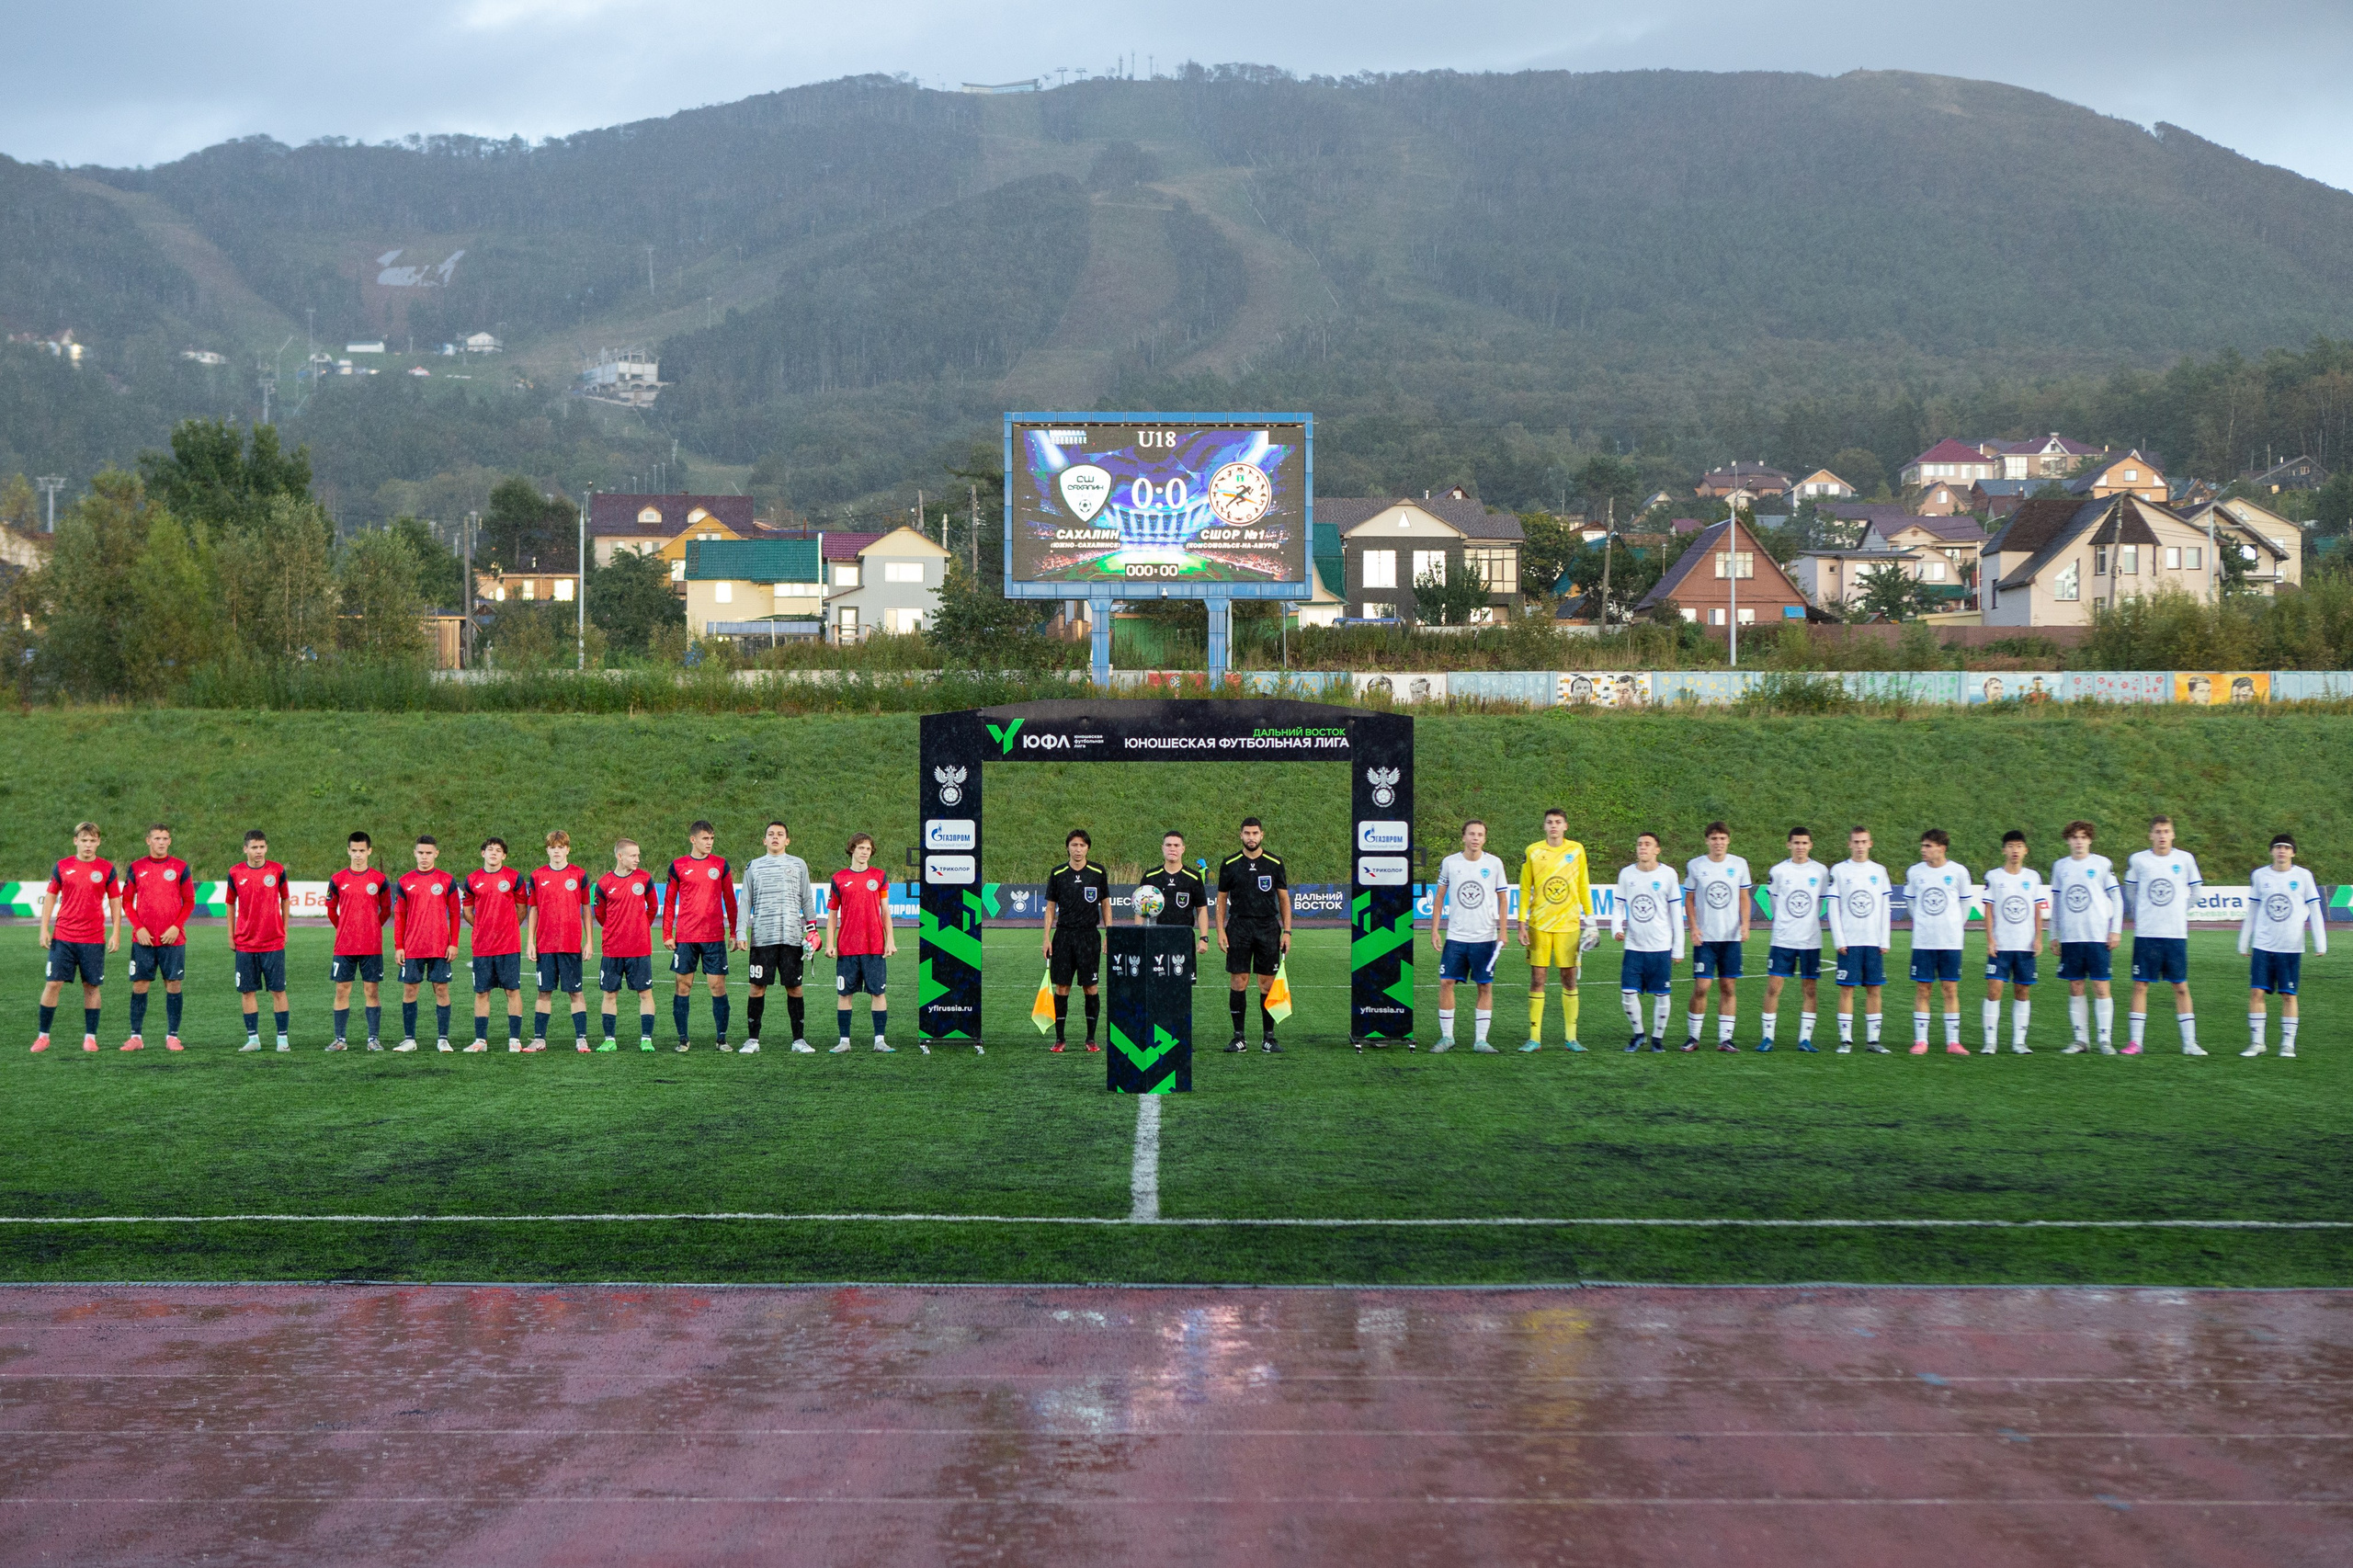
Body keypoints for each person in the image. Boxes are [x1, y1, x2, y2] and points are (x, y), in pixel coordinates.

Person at [34, 821, 119, 1054]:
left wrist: (116, 932)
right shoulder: (62, 867)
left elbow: (114, 901)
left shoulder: (107, 868)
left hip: (93, 938)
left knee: (91, 987)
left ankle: (90, 1037)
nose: (88, 845)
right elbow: (50, 897)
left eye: (92, 841)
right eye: (84, 840)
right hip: (64, 936)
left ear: (98, 842)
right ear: (76, 841)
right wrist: (44, 929)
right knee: (53, 984)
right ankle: (43, 1036)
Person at [2240, 834, 2326, 1058]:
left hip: (2290, 947)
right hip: (2263, 944)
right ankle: (2257, 1042)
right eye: (2277, 847)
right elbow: (2253, 910)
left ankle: (2288, 1044)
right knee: (2256, 992)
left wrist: (2320, 941)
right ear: (2271, 851)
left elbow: (2315, 909)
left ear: (2293, 852)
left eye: (2286, 848)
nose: (2281, 851)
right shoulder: (2260, 875)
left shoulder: (2303, 876)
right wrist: (2244, 940)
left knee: (2288, 995)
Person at [2125, 816, 2205, 1056]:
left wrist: (2180, 910)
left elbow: (2197, 892)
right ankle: (2135, 1042)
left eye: (2166, 831)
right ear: (2150, 835)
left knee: (2180, 986)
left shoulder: (2185, 859)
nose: (2162, 836)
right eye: (2157, 831)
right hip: (2147, 933)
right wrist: (2142, 913)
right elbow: (2130, 891)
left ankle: (2190, 1043)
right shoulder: (2139, 860)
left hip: (2175, 934)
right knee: (2140, 986)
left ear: (2173, 835)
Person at [739, 819, 816, 1055]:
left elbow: (807, 900)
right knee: (757, 988)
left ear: (787, 840)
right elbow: (745, 902)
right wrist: (742, 931)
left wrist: (812, 930)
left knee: (795, 988)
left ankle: (798, 1041)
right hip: (762, 938)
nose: (775, 837)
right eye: (771, 834)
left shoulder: (798, 864)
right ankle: (753, 1040)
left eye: (780, 834)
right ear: (764, 840)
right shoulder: (753, 866)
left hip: (793, 938)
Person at [1518, 808, 1592, 1052]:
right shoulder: (1533, 851)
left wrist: (1590, 920)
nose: (1554, 826)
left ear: (1565, 826)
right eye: (1549, 822)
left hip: (1568, 926)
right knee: (1538, 978)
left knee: (1569, 978)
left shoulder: (1576, 850)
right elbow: (1525, 888)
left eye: (1558, 822)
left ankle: (1572, 1038)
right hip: (1539, 925)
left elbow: (1583, 885)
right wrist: (1521, 923)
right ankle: (1534, 1038)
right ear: (1544, 826)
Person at [1216, 817, 1291, 1053]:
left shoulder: (1274, 863)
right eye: (1247, 833)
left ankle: (1269, 1037)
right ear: (1240, 835)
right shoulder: (1230, 863)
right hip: (1238, 927)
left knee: (1267, 983)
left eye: (1255, 833)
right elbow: (1220, 901)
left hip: (1268, 927)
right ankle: (1239, 1037)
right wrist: (1219, 930)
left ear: (1262, 835)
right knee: (1239, 981)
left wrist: (1287, 931)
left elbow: (1284, 900)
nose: (1251, 837)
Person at [1433, 819, 1507, 1051]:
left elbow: (1503, 899)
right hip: (1456, 937)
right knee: (1446, 982)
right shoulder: (1450, 863)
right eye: (1471, 834)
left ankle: (1481, 1040)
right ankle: (1447, 1037)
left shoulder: (1494, 864)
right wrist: (1435, 929)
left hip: (1484, 937)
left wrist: (1503, 931)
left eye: (1480, 834)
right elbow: (1439, 898)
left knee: (1485, 986)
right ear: (1463, 837)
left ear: (1485, 839)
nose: (1476, 838)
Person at [117, 823, 192, 1052]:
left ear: (170, 841)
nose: (161, 842)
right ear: (148, 840)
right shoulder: (136, 867)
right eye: (157, 838)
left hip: (172, 940)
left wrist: (176, 927)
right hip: (143, 940)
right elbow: (127, 901)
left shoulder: (180, 867)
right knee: (140, 985)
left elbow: (189, 902)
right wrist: (138, 927)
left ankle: (172, 1036)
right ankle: (136, 1037)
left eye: (165, 838)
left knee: (174, 984)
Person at [2051, 820, 2123, 1054]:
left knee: (2101, 987)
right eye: (2074, 837)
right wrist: (2054, 934)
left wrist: (2116, 930)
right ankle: (2081, 1040)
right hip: (2071, 937)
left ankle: (2105, 1040)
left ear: (2090, 840)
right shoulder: (2060, 866)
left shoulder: (2102, 864)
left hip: (2098, 936)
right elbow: (2057, 904)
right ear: (2068, 840)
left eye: (2083, 837)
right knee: (2076, 985)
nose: (2079, 841)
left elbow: (2117, 898)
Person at [665, 821, 737, 1051]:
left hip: (714, 936)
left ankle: (722, 1039)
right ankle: (683, 1039)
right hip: (686, 936)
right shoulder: (678, 866)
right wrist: (667, 933)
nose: (710, 843)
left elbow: (730, 901)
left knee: (717, 987)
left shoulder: (721, 865)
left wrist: (735, 931)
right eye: (705, 838)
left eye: (712, 838)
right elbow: (668, 902)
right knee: (683, 985)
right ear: (693, 840)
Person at [1682, 822, 1753, 1052]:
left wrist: (1745, 924)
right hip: (1705, 937)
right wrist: (1693, 927)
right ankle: (1693, 1037)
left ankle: (1725, 1039)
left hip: (1730, 937)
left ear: (1728, 841)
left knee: (1728, 986)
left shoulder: (1739, 864)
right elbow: (1690, 900)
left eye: (1722, 838)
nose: (1718, 843)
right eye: (1714, 839)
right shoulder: (1695, 865)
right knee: (1702, 986)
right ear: (1707, 841)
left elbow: (1744, 898)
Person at [1612, 832, 1685, 1051]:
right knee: (1627, 993)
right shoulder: (1626, 874)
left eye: (1647, 844)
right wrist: (1616, 928)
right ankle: (1639, 1034)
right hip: (1634, 946)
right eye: (1639, 844)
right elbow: (1617, 906)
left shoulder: (1668, 874)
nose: (1642, 848)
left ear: (1657, 850)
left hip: (1660, 947)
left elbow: (1675, 913)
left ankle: (1657, 1039)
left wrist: (1678, 948)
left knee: (1662, 995)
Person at [1042, 829, 1111, 1053]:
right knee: (1062, 987)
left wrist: (1108, 934)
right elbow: (1051, 907)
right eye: (1074, 845)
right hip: (1063, 936)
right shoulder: (1058, 873)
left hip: (1089, 936)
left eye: (1082, 845)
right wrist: (1046, 938)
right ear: (1068, 848)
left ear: (1088, 848)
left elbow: (1106, 904)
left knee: (1090, 987)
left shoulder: (1098, 872)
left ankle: (1091, 1039)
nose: (1078, 849)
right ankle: (1059, 1039)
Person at [825, 832, 895, 1052]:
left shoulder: (879, 876)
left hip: (874, 945)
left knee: (878, 992)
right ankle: (844, 1041)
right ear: (852, 849)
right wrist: (830, 943)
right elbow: (832, 915)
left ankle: (880, 1041)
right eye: (861, 848)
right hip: (847, 947)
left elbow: (885, 911)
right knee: (845, 994)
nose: (865, 852)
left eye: (868, 849)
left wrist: (890, 940)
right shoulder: (838, 879)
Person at [1904, 830, 1972, 1055]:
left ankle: (1953, 1042)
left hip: (1950, 942)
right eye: (1923, 845)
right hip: (1924, 941)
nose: (1923, 850)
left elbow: (1965, 905)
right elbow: (1911, 903)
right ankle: (1921, 1041)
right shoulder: (1915, 872)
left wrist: (1953, 927)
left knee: (1950, 989)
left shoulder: (1958, 872)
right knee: (1923, 989)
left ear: (1942, 848)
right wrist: (1925, 923)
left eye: (1928, 846)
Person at [324, 831, 392, 1051]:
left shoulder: (379, 880)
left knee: (371, 991)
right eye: (354, 850)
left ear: (369, 851)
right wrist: (346, 929)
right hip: (344, 945)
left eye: (362, 850)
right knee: (342, 990)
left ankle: (373, 1039)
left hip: (371, 946)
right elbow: (331, 910)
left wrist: (370, 928)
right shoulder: (337, 879)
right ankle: (340, 1040)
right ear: (348, 851)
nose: (358, 855)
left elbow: (386, 910)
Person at [1980, 830, 2047, 1055]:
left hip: (2025, 945)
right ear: (2004, 850)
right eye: (2010, 846)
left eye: (2019, 846)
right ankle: (1990, 1042)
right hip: (2001, 945)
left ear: (2025, 850)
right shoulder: (1994, 877)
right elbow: (1988, 911)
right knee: (1994, 989)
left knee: (2022, 991)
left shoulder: (2032, 877)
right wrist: (1990, 939)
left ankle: (2019, 1042)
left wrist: (2039, 937)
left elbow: (2038, 910)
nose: (2015, 850)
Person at [1760, 827, 1826, 1052]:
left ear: (1811, 845)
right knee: (1773, 987)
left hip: (1810, 940)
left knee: (1810, 989)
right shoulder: (1779, 871)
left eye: (1804, 843)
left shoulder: (1820, 871)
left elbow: (1823, 902)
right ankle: (1767, 1038)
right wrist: (1785, 924)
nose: (1800, 847)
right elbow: (1774, 904)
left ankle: (1805, 1039)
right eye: (1796, 843)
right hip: (1783, 939)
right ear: (1788, 845)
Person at [462, 837, 531, 1053]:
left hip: (509, 945)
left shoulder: (514, 877)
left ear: (504, 856)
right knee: (482, 992)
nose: (493, 853)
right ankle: (480, 1040)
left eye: (498, 850)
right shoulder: (472, 879)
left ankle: (514, 1040)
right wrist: (484, 926)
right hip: (482, 946)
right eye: (489, 849)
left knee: (512, 990)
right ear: (483, 853)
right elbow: (467, 911)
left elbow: (522, 909)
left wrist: (508, 927)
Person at [525, 831, 592, 1052]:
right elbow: (533, 909)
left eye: (561, 847)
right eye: (553, 847)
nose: (557, 851)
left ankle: (581, 1039)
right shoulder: (537, 876)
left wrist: (589, 941)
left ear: (567, 850)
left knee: (576, 992)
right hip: (545, 945)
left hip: (571, 944)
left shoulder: (579, 875)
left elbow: (585, 909)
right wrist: (530, 942)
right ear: (547, 850)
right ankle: (539, 1040)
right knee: (544, 992)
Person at [392, 836, 460, 1052]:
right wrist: (398, 946)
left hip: (439, 947)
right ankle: (409, 1039)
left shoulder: (446, 880)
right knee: (410, 991)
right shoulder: (404, 882)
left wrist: (454, 943)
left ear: (436, 854)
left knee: (441, 989)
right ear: (414, 853)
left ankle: (443, 1039)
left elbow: (455, 915)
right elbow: (399, 915)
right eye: (421, 853)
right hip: (412, 947)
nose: (424, 857)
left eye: (428, 853)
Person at [226, 830, 291, 1053]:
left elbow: (285, 898)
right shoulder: (235, 872)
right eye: (254, 847)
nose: (259, 851)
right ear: (245, 849)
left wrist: (284, 928)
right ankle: (253, 1039)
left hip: (273, 941)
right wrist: (231, 935)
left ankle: (282, 1039)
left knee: (278, 991)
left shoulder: (277, 870)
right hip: (245, 943)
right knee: (247, 992)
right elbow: (230, 903)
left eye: (262, 847)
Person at [1827, 826, 1892, 1054]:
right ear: (1849, 844)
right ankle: (1846, 1040)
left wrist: (1885, 939)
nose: (1860, 846)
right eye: (1856, 842)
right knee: (1847, 989)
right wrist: (1838, 939)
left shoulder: (1879, 871)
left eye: (1864, 841)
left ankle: (1873, 1041)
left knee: (1874, 988)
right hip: (1850, 941)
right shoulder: (1839, 870)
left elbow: (1885, 907)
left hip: (1873, 940)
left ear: (1870, 843)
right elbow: (1833, 907)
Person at [593, 838, 660, 1051]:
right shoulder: (604, 883)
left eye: (638, 855)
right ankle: (610, 1040)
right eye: (633, 855)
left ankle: (646, 1039)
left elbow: (653, 907)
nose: (637, 859)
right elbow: (600, 914)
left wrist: (639, 927)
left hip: (639, 948)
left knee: (645, 993)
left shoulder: (645, 879)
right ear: (620, 856)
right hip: (612, 949)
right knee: (610, 994)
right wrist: (616, 929)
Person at [1138, 832, 1210, 967]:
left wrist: (1204, 937)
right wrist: (1138, 936)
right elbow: (1140, 909)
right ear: (1162, 848)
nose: (1172, 848)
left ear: (1183, 848)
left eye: (1176, 845)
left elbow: (1202, 909)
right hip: (1156, 937)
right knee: (1157, 985)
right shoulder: (1150, 876)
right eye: (1168, 845)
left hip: (1183, 938)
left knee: (1183, 986)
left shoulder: (1193, 878)